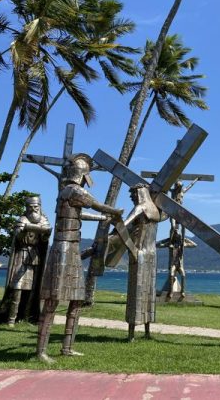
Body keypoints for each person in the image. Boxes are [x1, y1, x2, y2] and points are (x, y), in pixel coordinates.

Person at [36, 153, 121, 363]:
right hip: (63, 249)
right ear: (83, 174)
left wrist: (103, 218)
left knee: (76, 299)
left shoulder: (65, 192)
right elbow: (95, 204)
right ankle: (41, 351)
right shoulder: (74, 190)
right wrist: (114, 211)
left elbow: (80, 214)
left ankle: (67, 347)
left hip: (72, 247)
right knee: (53, 301)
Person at [123, 183, 166, 341]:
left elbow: (123, 226)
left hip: (139, 253)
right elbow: (168, 214)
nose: (131, 197)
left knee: (136, 292)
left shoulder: (140, 208)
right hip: (152, 254)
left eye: (133, 193)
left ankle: (131, 334)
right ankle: (147, 331)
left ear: (140, 193)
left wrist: (112, 221)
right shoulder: (156, 210)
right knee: (148, 291)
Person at [6, 196, 51, 326]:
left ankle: (27, 316)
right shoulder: (22, 219)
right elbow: (18, 235)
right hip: (22, 254)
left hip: (35, 256)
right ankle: (11, 319)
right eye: (30, 207)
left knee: (32, 289)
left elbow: (44, 238)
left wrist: (45, 233)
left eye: (35, 207)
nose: (33, 210)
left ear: (39, 207)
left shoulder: (43, 219)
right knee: (18, 287)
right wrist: (22, 229)